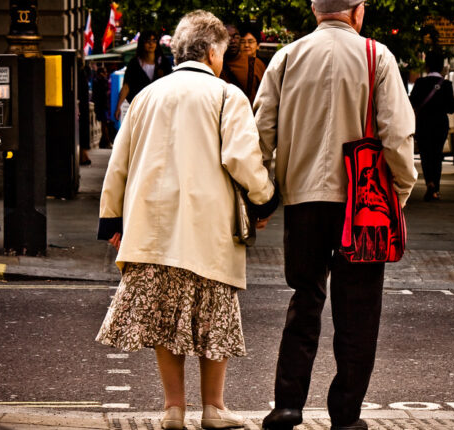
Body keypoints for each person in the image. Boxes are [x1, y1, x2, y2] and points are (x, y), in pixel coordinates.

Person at [96, 10, 278, 430]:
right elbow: (242, 159)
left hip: (152, 229)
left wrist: (111, 220)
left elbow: (118, 163)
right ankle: (213, 409)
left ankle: (173, 410)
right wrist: (265, 199)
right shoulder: (226, 95)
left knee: (165, 319)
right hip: (207, 230)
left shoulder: (147, 96)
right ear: (214, 52)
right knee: (213, 318)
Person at [253, 1, 417, 429]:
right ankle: (346, 415)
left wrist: (263, 195)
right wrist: (398, 194)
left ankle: (287, 404)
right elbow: (398, 135)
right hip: (363, 206)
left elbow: (261, 132)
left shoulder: (286, 57)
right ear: (357, 12)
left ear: (315, 10)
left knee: (304, 300)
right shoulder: (377, 56)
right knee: (358, 311)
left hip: (303, 200)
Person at [409, 50, 454, 201]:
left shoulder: (420, 83)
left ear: (427, 66)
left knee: (425, 155)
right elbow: (451, 108)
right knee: (437, 155)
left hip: (423, 124)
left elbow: (413, 103)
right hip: (440, 124)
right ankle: (436, 187)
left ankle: (429, 182)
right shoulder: (447, 85)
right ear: (442, 67)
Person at [114, 30, 173, 121]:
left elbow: (171, 86)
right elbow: (126, 86)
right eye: (148, 41)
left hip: (160, 108)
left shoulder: (164, 63)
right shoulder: (134, 64)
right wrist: (118, 107)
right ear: (142, 43)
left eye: (154, 41)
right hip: (141, 109)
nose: (151, 44)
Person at [221, 24, 266, 103]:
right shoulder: (214, 64)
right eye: (228, 37)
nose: (233, 41)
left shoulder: (257, 64)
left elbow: (266, 95)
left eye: (236, 37)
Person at [92, 65, 113, 148]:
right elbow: (101, 93)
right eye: (104, 72)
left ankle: (103, 141)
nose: (106, 74)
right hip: (101, 106)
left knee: (104, 124)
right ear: (100, 73)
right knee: (104, 124)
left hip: (102, 106)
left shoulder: (99, 81)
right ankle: (106, 141)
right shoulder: (99, 81)